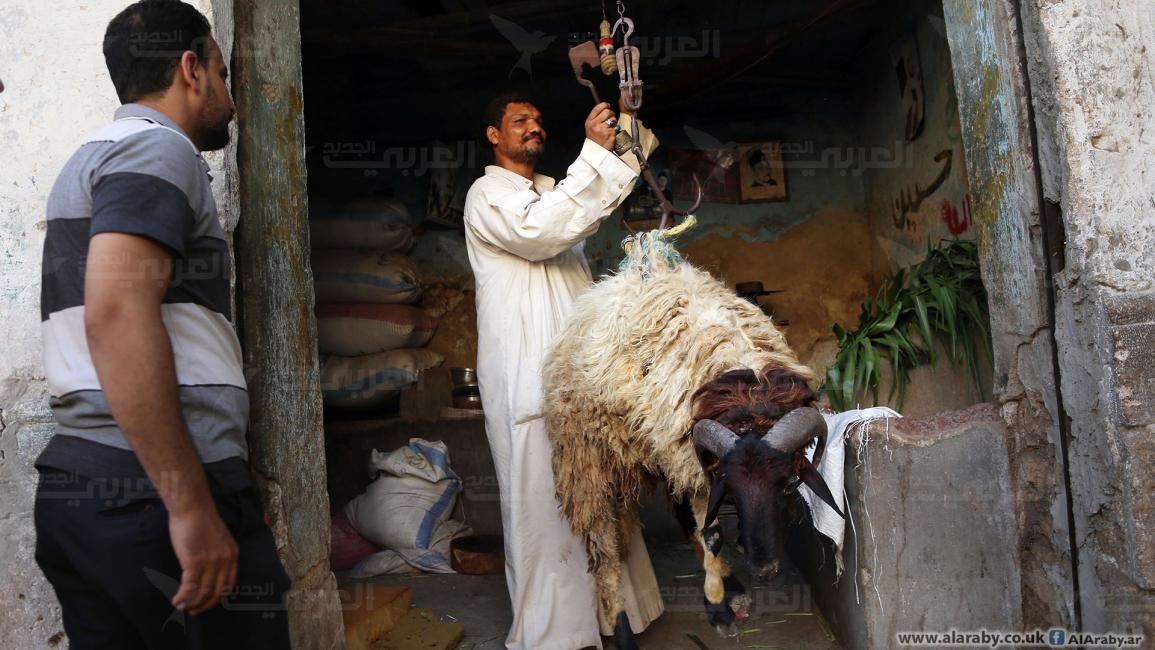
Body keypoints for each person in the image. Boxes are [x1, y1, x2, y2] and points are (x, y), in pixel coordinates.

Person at [35, 2, 290, 648]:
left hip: (87, 487)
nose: (230, 98)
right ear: (190, 69)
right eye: (223, 73)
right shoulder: (159, 151)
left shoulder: (88, 160)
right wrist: (189, 503)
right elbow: (117, 314)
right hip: (152, 495)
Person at [463, 93, 665, 649]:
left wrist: (623, 126)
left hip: (579, 377)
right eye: (519, 121)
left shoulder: (554, 191)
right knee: (544, 511)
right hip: (527, 377)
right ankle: (556, 635)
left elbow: (587, 201)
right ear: (493, 136)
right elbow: (541, 232)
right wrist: (593, 153)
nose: (533, 127)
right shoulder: (488, 195)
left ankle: (616, 616)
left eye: (537, 120)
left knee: (603, 496)